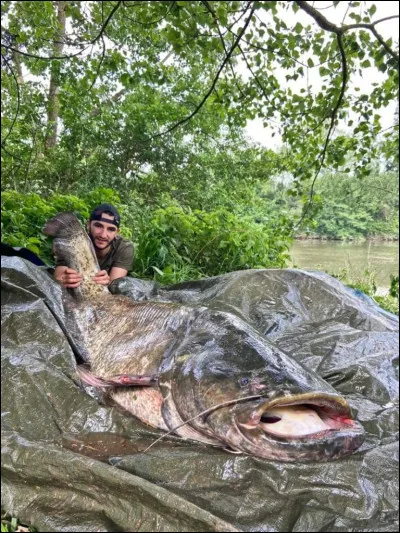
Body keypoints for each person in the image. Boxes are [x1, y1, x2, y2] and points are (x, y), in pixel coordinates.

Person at [54, 203, 134, 288]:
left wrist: (108, 282)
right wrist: (64, 279)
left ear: (117, 232)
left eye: (111, 229)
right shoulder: (74, 242)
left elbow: (115, 285)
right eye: (98, 226)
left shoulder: (124, 248)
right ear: (89, 224)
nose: (103, 235)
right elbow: (59, 275)